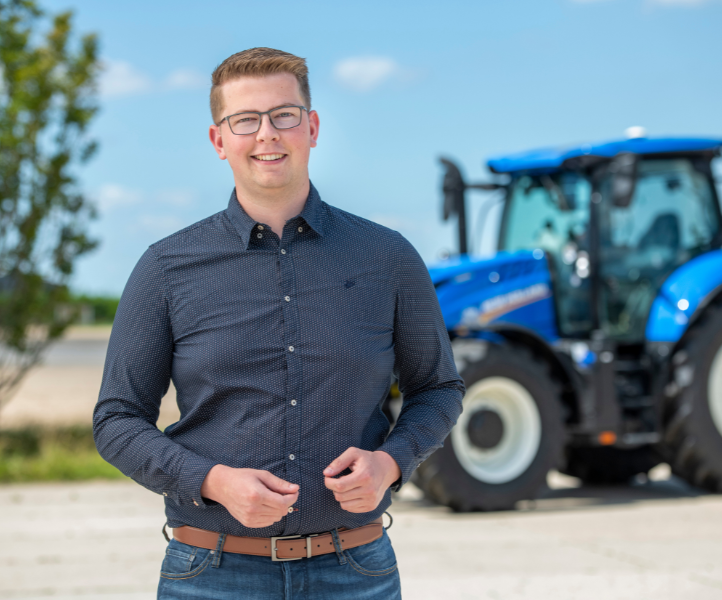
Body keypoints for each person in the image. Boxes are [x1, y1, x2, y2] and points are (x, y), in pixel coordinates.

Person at [93, 47, 464, 599]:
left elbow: (438, 388)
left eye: (283, 115)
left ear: (311, 128)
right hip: (212, 575)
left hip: (354, 573)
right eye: (245, 120)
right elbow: (117, 420)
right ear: (219, 141)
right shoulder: (166, 268)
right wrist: (211, 481)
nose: (267, 134)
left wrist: (390, 463)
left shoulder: (386, 258)